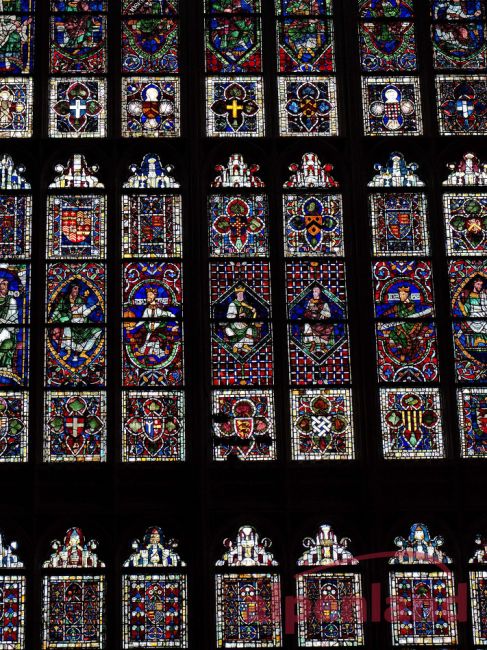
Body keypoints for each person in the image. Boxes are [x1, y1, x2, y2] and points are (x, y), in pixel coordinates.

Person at [51, 280, 102, 361]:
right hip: (69, 322)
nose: (76, 291)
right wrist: (70, 310)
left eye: (78, 289)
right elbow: (58, 312)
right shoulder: (64, 300)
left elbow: (84, 313)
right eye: (75, 288)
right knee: (67, 329)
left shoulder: (80, 300)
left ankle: (83, 352)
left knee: (97, 330)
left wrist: (95, 306)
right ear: (71, 289)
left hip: (82, 323)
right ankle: (68, 353)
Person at [225, 286, 260, 355]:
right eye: (239, 293)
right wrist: (239, 315)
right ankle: (240, 346)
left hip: (244, 324)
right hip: (235, 325)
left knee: (250, 329)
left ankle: (241, 346)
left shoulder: (245, 304)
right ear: (236, 294)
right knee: (229, 331)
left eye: (242, 293)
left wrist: (252, 311)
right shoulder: (233, 304)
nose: (241, 295)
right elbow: (229, 316)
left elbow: (249, 315)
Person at [302, 286, 334, 353]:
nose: (314, 293)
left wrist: (319, 310)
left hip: (322, 322)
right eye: (313, 292)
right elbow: (306, 312)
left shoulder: (324, 303)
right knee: (306, 325)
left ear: (319, 293)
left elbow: (329, 314)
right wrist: (310, 313)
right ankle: (313, 343)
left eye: (316, 291)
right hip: (312, 322)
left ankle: (323, 345)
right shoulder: (310, 302)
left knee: (329, 326)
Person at [459, 276, 487, 347]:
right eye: (478, 284)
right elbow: (466, 309)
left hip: (483, 315)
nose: (480, 286)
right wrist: (460, 303)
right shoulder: (470, 295)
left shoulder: (482, 295)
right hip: (474, 317)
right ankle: (478, 341)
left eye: (481, 284)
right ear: (474, 284)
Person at [0, 277, 19, 370]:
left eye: (6, 284)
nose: (5, 287)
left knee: (7, 343)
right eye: (3, 284)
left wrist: (3, 321)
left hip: (5, 332)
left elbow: (14, 325)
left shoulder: (11, 301)